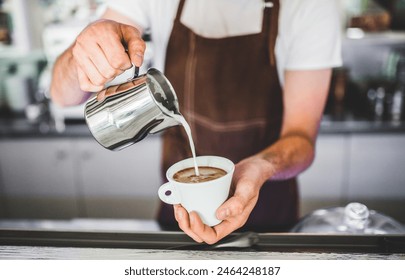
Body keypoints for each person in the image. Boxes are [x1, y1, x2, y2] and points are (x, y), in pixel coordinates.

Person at [50, 0, 342, 244]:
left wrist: (260, 167)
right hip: (181, 213)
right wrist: (83, 53)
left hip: (268, 215)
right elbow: (62, 95)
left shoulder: (311, 5)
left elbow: (301, 138)